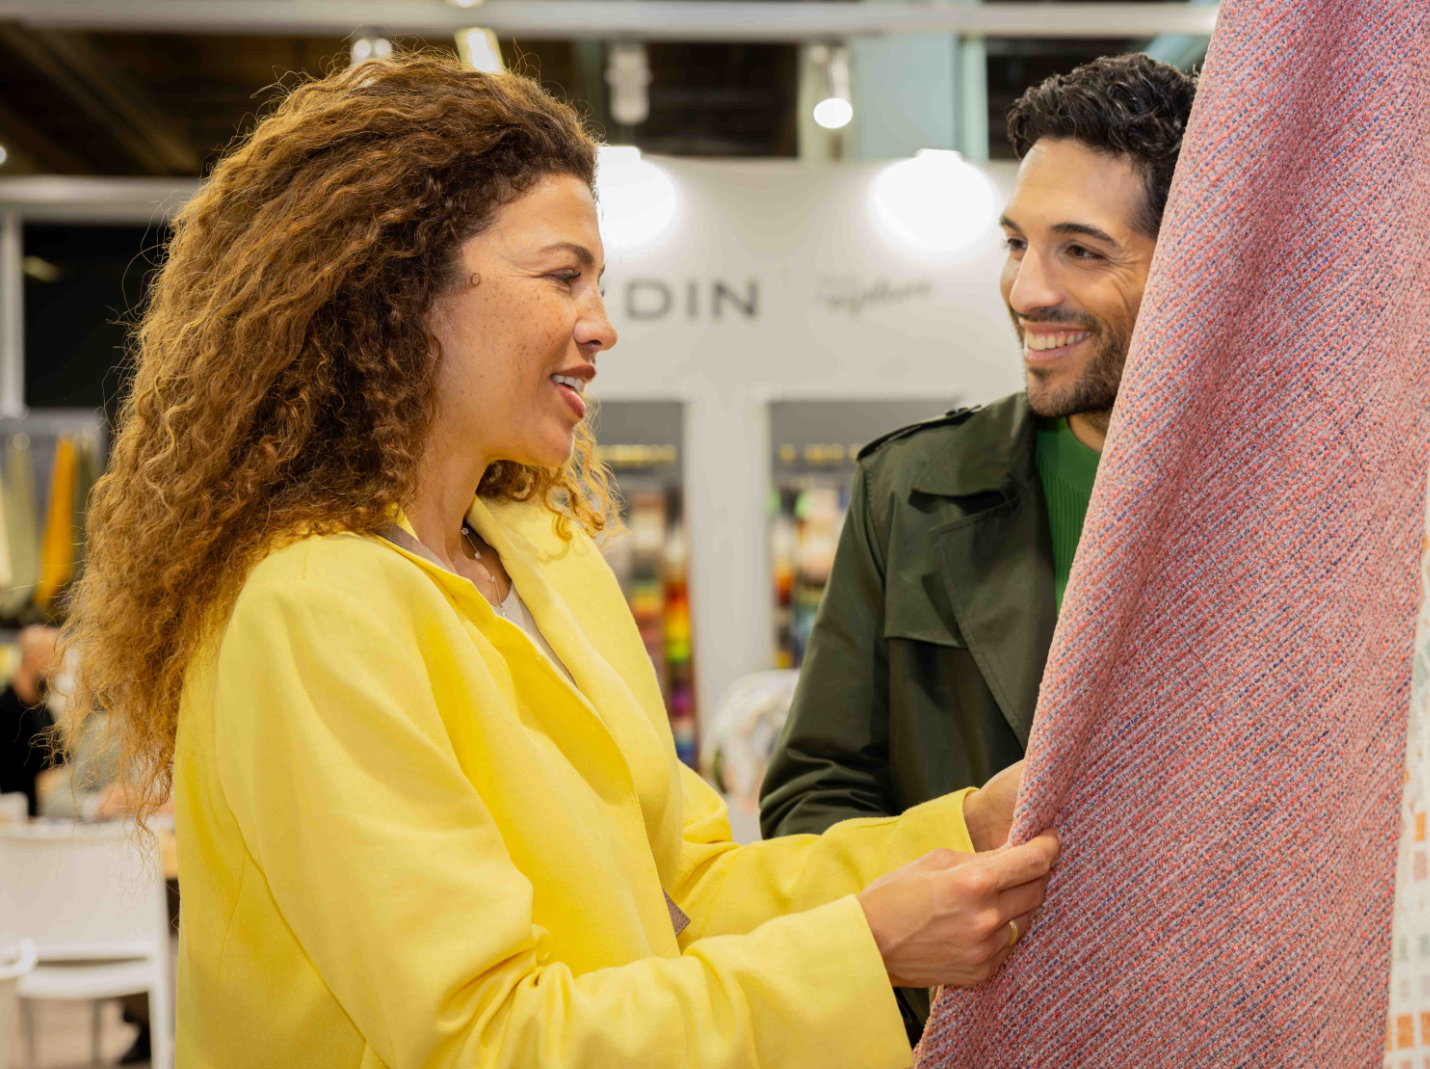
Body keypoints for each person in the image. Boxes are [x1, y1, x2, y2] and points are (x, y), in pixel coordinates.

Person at [60, 54, 1056, 1068]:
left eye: (599, 282)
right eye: (562, 276)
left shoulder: (546, 558)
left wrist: (965, 829)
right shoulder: (312, 607)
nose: (602, 326)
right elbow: (484, 1039)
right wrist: (866, 947)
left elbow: (694, 887)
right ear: (399, 287)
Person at [758, 52, 1197, 1036]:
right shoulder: (909, 492)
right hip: (971, 1024)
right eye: (1015, 243)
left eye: (1080, 251)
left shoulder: (1289, 497)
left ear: (1194, 259)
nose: (1026, 289)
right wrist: (932, 901)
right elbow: (811, 799)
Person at [0, 624, 58, 816]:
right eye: (54, 660)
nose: (60, 668)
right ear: (35, 660)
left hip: (47, 822)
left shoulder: (43, 710)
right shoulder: (6, 711)